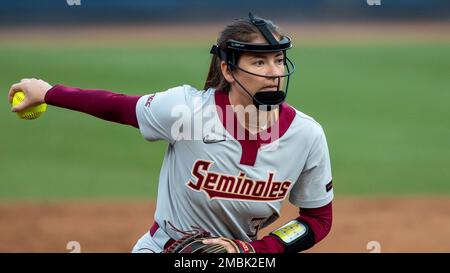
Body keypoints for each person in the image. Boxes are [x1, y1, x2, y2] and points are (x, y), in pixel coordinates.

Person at [8, 13, 333, 253]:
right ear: (228, 69)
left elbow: (317, 219)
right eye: (259, 63)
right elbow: (118, 107)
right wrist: (49, 92)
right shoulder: (188, 111)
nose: (275, 72)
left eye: (278, 60)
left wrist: (252, 252)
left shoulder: (306, 135)